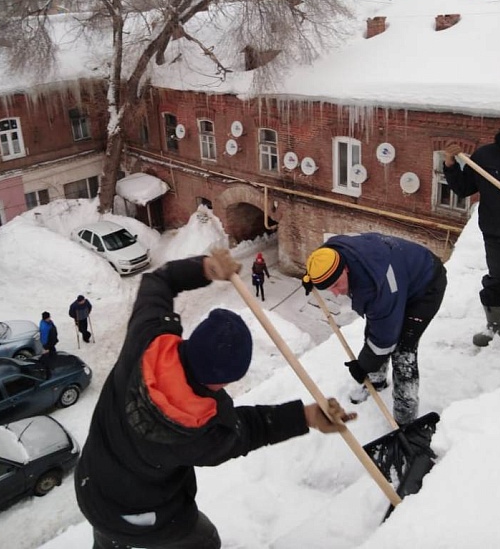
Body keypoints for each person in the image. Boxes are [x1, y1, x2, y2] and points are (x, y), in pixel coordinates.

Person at [75, 249, 356, 549]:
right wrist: (306, 416)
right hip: (142, 516)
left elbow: (158, 281)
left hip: (92, 485)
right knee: (205, 540)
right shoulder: (202, 434)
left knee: (108, 536)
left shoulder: (147, 339)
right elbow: (251, 430)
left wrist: (205, 268)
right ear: (224, 381)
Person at [302, 233, 447, 426]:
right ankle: (376, 383)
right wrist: (311, 278)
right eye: (328, 288)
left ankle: (405, 420)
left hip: (425, 285)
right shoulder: (333, 253)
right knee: (373, 330)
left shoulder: (376, 286)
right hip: (399, 277)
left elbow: (385, 337)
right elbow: (321, 258)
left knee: (403, 351)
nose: (335, 293)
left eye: (336, 284)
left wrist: (364, 365)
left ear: (345, 268)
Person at [444, 109, 500, 346]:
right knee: (498, 281)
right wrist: (450, 164)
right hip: (497, 234)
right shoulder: (485, 157)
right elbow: (463, 188)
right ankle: (495, 325)